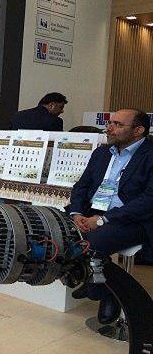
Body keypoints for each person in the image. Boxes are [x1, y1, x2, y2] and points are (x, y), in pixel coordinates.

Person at [68, 108, 153, 325]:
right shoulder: (102, 153)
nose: (109, 128)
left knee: (91, 243)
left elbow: (148, 200)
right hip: (93, 211)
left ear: (138, 130)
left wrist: (103, 220)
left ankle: (108, 293)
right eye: (110, 123)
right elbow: (81, 186)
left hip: (133, 218)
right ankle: (92, 281)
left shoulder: (149, 155)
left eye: (117, 124)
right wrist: (77, 213)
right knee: (58, 229)